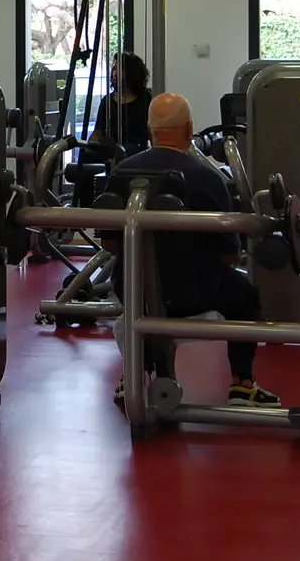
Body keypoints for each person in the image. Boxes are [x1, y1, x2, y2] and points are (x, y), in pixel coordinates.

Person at [109, 92, 279, 408]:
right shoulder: (207, 178)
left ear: (149, 130)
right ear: (189, 130)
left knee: (125, 276)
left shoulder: (121, 172)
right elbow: (228, 254)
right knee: (245, 296)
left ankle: (135, 375)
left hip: (133, 290)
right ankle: (243, 384)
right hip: (193, 293)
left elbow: (109, 243)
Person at [89, 52, 153, 154]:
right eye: (114, 68)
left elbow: (153, 132)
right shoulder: (107, 101)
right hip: (112, 150)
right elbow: (98, 132)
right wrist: (88, 148)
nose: (115, 73)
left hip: (138, 151)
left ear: (132, 72)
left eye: (120, 69)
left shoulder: (147, 99)